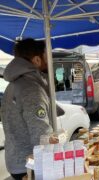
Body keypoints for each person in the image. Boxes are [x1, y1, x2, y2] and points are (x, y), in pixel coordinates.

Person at [0, 38, 58, 180]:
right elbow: (41, 135)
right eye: (47, 56)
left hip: (16, 159)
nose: (49, 61)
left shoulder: (14, 83)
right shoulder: (31, 89)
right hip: (29, 164)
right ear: (37, 60)